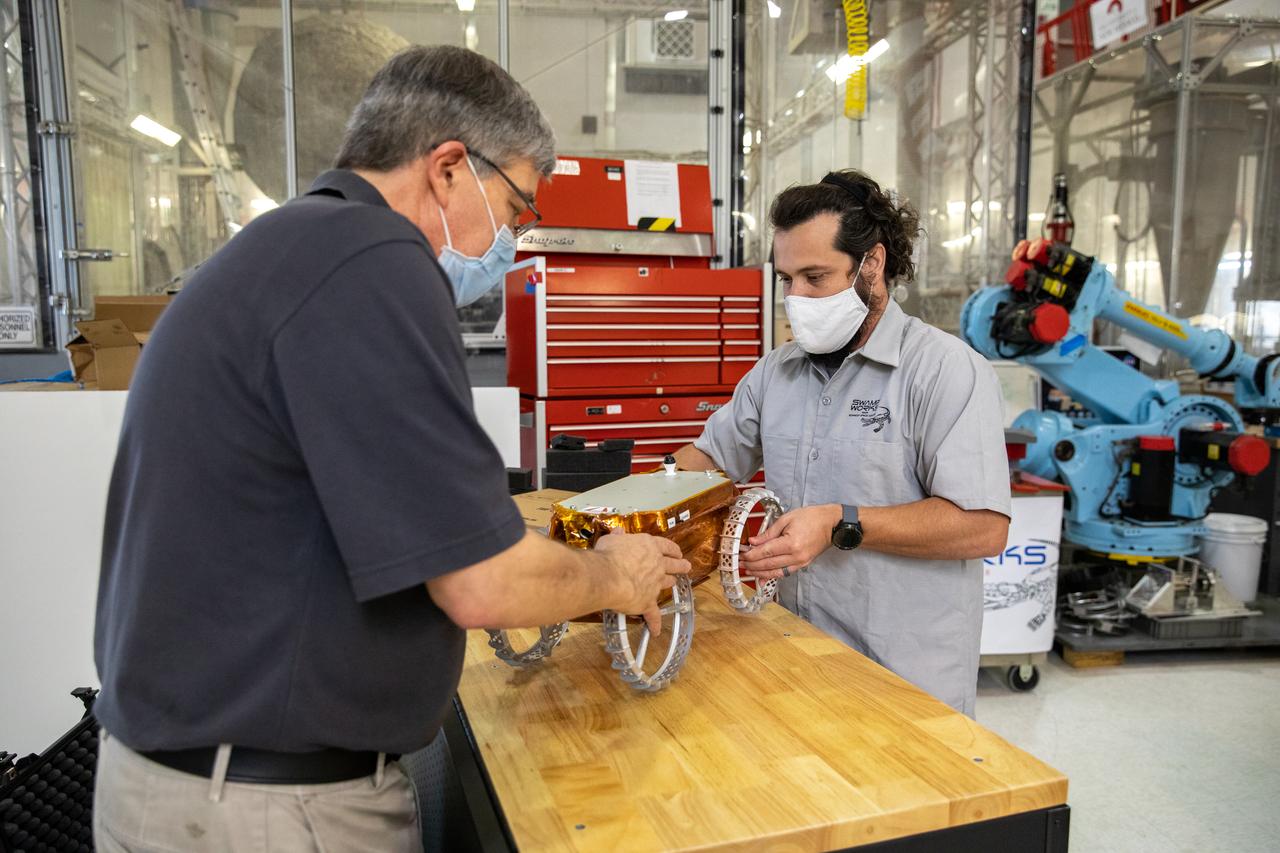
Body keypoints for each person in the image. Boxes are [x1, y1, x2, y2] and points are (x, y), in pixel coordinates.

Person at [92, 45, 689, 852]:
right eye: (517, 208)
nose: (516, 240)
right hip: (265, 810)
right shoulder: (374, 266)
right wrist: (613, 574)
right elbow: (480, 584)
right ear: (448, 167)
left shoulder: (290, 249)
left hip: (194, 781)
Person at [675, 169, 1010, 716]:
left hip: (903, 680)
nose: (797, 297)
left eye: (815, 276)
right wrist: (632, 512)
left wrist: (839, 523)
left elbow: (983, 527)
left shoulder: (946, 372)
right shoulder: (776, 373)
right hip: (792, 654)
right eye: (786, 279)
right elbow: (708, 461)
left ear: (871, 265)